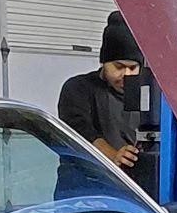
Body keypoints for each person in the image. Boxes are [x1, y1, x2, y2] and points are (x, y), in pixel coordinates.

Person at [58, 12, 144, 170]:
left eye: (133, 68)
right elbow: (80, 131)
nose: (126, 75)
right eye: (118, 67)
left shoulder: (149, 97)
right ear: (103, 62)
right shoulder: (78, 88)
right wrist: (113, 156)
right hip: (86, 183)